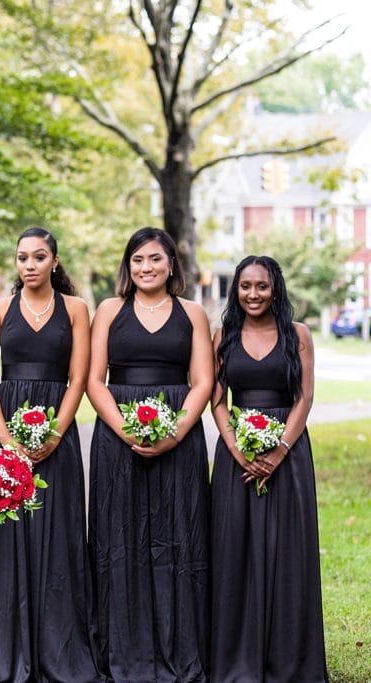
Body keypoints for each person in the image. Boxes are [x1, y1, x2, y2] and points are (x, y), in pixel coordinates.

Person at [86, 227, 213, 682]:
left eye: (155, 259)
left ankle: (179, 649)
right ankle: (124, 651)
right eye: (137, 259)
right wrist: (126, 430)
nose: (146, 267)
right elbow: (93, 381)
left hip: (179, 442)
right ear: (128, 265)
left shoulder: (194, 314)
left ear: (172, 264)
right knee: (119, 541)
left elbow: (204, 382)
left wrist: (173, 433)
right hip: (117, 443)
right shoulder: (108, 310)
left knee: (179, 538)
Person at [0, 227, 101, 683]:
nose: (29, 265)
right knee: (7, 542)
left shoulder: (75, 310)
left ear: (54, 261)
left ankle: (58, 650)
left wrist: (55, 433)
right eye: (22, 258)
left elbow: (79, 378)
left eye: (39, 256)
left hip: (58, 434)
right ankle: (8, 650)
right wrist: (6, 441)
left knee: (60, 538)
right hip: (6, 429)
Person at [209, 256, 326, 682]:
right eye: (245, 286)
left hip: (289, 455)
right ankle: (237, 658)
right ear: (235, 290)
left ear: (275, 287)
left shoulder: (298, 335)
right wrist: (238, 448)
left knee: (287, 551)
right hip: (235, 456)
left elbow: (305, 398)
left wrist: (278, 450)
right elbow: (218, 400)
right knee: (234, 551)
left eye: (261, 286)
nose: (253, 294)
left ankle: (289, 658)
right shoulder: (224, 336)